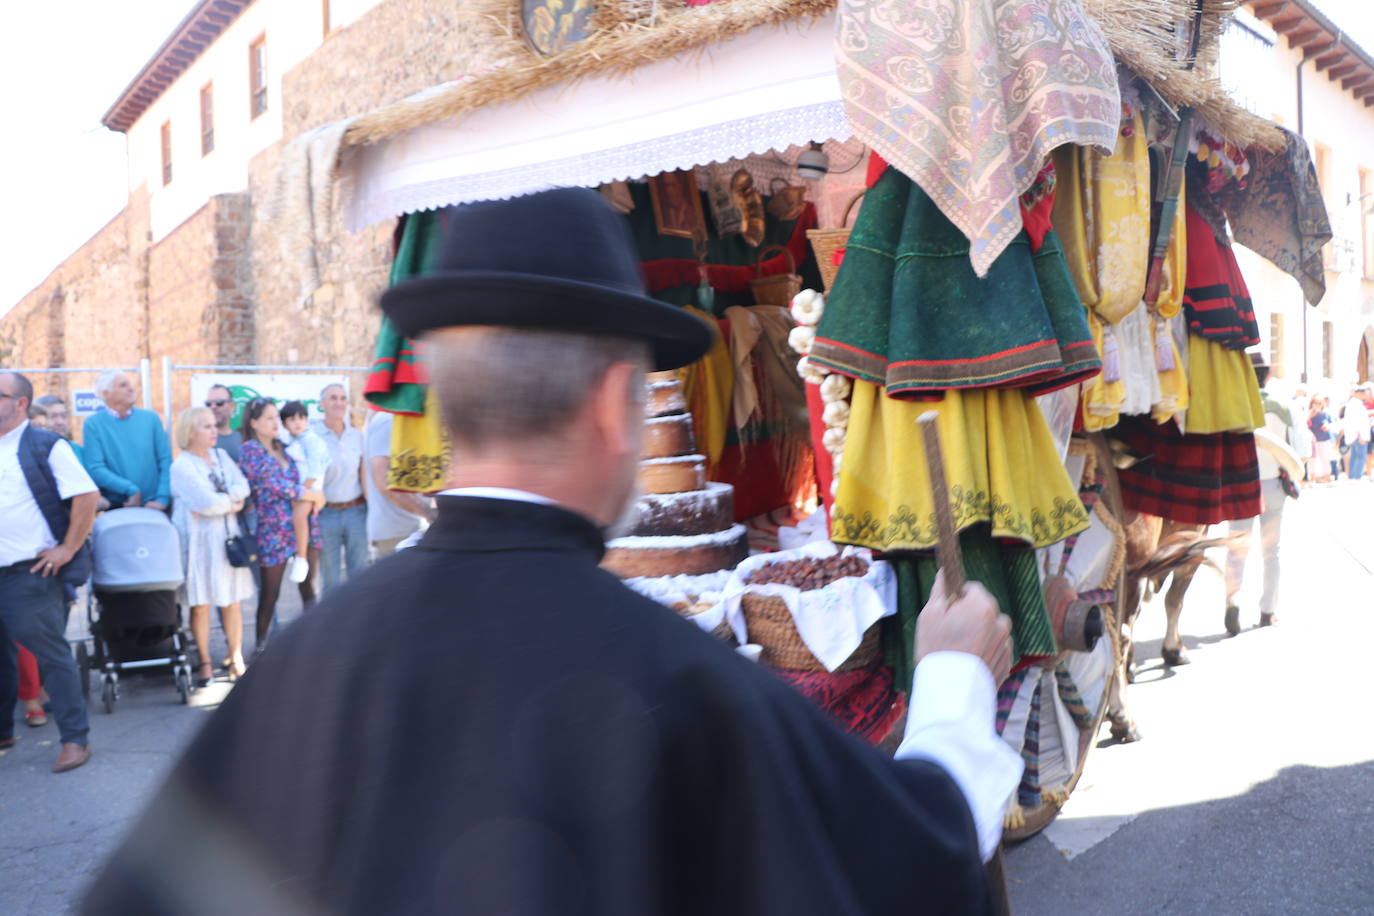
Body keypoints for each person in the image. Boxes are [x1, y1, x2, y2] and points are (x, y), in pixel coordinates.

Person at [85, 189, 1021, 914]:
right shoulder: (678, 680)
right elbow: (910, 865)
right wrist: (950, 684)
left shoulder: (304, 665)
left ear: (447, 403)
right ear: (619, 402)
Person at [0, 371, 98, 773]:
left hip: (30, 572)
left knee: (51, 656)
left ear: (20, 403)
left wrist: (68, 548)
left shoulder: (44, 444)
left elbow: (87, 496)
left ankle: (76, 739)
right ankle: (3, 731)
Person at [170, 407, 255, 685]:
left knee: (232, 601)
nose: (214, 430)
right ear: (190, 432)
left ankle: (235, 656)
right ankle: (205, 661)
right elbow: (205, 502)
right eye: (206, 426)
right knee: (201, 604)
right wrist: (230, 503)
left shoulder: (221, 457)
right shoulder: (182, 465)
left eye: (214, 425)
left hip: (227, 539)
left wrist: (225, 500)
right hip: (199, 543)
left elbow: (242, 486)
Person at [1225, 355, 1304, 632]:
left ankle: (1232, 604)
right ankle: (1267, 611)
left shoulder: (1236, 404)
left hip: (1241, 485)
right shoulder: (1284, 406)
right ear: (1268, 375)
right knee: (1272, 552)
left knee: (1237, 550)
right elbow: (1299, 453)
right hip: (1272, 485)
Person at [237, 399, 319, 654]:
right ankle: (261, 648)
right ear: (254, 423)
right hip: (273, 530)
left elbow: (307, 476)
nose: (276, 423)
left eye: (276, 417)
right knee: (270, 593)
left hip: (303, 526)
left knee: (308, 588)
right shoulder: (250, 451)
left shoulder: (286, 448)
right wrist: (312, 495)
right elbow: (275, 485)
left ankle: (314, 645)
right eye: (269, 418)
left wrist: (311, 494)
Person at [82, 370, 172, 511]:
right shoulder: (93, 424)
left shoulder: (151, 419)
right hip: (119, 506)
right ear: (106, 393)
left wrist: (162, 499)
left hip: (155, 506)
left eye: (129, 384)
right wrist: (130, 489)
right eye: (123, 385)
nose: (131, 389)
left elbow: (165, 460)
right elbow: (95, 468)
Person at [311, 384, 368, 592]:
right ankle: (332, 624)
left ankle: (360, 623)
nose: (338, 402)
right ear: (322, 404)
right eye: (333, 398)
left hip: (357, 512)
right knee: (331, 581)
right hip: (326, 515)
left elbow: (363, 475)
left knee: (360, 576)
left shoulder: (357, 436)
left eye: (343, 398)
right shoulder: (313, 437)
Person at [363, 410, 431, 558]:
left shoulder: (403, 419)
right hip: (395, 533)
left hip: (411, 527)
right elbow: (383, 480)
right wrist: (427, 512)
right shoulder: (387, 420)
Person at [278, 401, 329, 584]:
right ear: (284, 424)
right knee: (296, 518)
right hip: (300, 487)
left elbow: (314, 470)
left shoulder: (312, 440)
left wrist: (304, 491)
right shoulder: (290, 441)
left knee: (299, 516)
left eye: (301, 418)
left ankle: (301, 558)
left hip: (311, 486)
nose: (297, 423)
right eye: (292, 419)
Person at [1339, 383, 1371, 481]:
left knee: (1355, 457)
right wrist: (1360, 435)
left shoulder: (1354, 403)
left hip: (1355, 435)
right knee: (1360, 457)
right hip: (1358, 436)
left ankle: (1352, 477)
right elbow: (1357, 422)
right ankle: (1356, 478)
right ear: (1359, 393)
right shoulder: (1355, 404)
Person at [204, 383, 242, 463]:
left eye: (219, 402)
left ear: (232, 406)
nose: (213, 407)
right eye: (208, 403)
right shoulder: (199, 440)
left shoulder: (244, 439)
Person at [1308, 394, 1336, 483]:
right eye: (1315, 402)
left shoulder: (1326, 413)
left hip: (1324, 439)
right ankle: (1312, 479)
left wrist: (1328, 426)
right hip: (1312, 441)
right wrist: (1309, 416)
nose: (1317, 405)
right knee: (1312, 460)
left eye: (1319, 403)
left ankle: (1327, 478)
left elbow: (1333, 423)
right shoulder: (1308, 413)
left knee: (1325, 459)